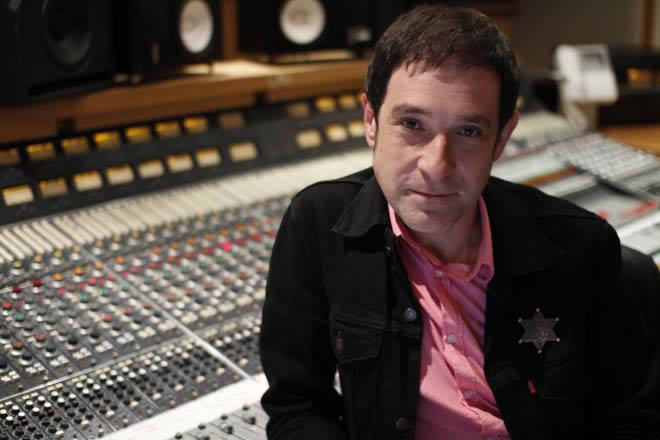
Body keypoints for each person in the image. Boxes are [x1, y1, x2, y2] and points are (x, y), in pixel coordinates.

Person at [259, 4, 660, 439]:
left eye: (468, 131)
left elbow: (637, 420)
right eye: (412, 124)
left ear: (501, 138)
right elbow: (297, 407)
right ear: (371, 120)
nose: (437, 166)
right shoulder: (316, 226)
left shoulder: (583, 248)